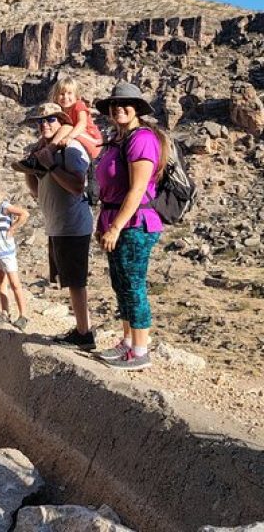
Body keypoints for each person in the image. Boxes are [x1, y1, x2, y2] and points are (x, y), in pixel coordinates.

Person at [93, 82, 167, 371]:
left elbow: (136, 191)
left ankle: (140, 350)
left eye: (126, 103)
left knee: (133, 284)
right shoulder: (118, 139)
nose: (119, 108)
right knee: (120, 283)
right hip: (116, 221)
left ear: (137, 108)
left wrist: (116, 227)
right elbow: (108, 190)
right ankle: (126, 342)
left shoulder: (142, 139)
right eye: (114, 104)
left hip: (136, 224)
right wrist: (105, 225)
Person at [22, 103, 94, 348]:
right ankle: (81, 329)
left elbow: (77, 186)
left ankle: (85, 334)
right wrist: (29, 170)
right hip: (57, 225)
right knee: (70, 280)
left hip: (73, 224)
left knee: (76, 281)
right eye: (40, 121)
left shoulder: (70, 149)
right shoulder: (45, 152)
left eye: (50, 120)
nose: (44, 124)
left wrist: (51, 165)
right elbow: (36, 192)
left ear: (61, 121)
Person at [12, 76, 102, 174]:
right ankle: (33, 159)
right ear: (56, 96)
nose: (65, 97)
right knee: (44, 139)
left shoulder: (78, 105)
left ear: (77, 96)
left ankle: (48, 152)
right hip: (79, 136)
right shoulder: (61, 111)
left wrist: (69, 137)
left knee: (66, 128)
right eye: (61, 94)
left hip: (94, 141)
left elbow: (82, 123)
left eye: (69, 93)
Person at [0, 180, 30, 329]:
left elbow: (24, 213)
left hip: (6, 251)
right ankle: (5, 312)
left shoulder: (4, 207)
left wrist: (13, 228)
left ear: (0, 194)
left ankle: (23, 315)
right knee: (1, 282)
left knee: (14, 283)